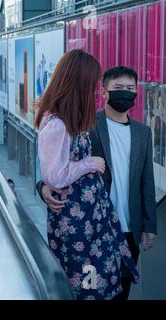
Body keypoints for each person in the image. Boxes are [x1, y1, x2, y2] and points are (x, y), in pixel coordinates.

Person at [37, 66, 157, 300]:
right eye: (118, 88)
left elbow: (147, 180)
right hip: (94, 228)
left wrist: (150, 225)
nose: (125, 93)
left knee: (122, 290)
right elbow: (55, 165)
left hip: (128, 228)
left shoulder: (143, 133)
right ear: (103, 92)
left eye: (130, 89)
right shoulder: (85, 124)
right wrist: (42, 188)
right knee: (93, 292)